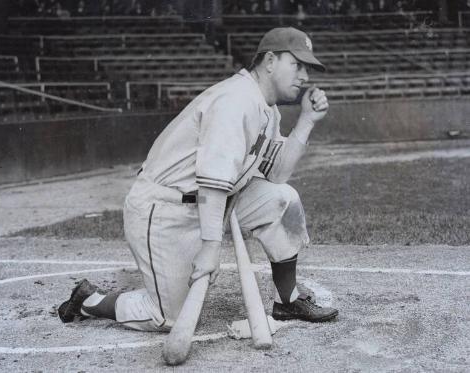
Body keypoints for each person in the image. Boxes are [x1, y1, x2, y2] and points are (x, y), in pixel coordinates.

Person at [58, 27, 339, 331]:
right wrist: (210, 247)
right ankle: (89, 300)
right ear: (270, 61)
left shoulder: (266, 109)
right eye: (297, 65)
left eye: (307, 68)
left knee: (282, 199)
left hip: (209, 204)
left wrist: (306, 122)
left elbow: (278, 175)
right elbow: (212, 181)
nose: (305, 76)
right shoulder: (236, 100)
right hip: (165, 210)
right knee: (167, 318)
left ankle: (287, 300)